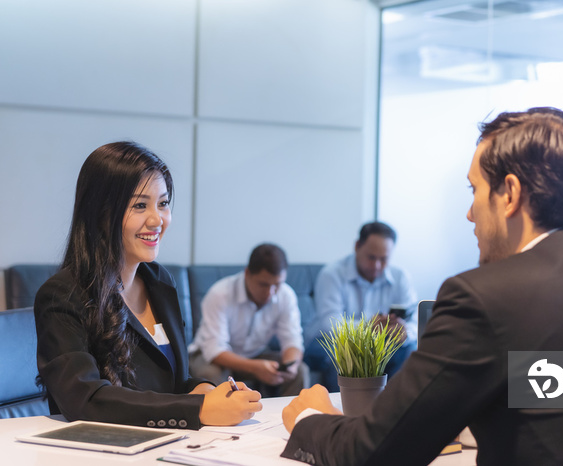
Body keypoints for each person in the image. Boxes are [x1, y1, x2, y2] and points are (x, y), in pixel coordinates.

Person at [280, 108, 563, 465]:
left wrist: (312, 418)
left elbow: (370, 454)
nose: (469, 214)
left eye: (474, 190)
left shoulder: (486, 296)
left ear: (509, 194)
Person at [34, 141, 262, 429]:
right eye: (140, 205)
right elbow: (85, 400)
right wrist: (199, 409)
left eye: (163, 204)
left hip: (170, 444)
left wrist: (209, 392)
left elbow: (176, 383)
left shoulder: (159, 281)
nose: (157, 220)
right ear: (101, 212)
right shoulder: (62, 297)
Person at [304, 221, 418, 391]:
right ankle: (341, 412)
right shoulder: (332, 274)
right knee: (343, 354)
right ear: (357, 246)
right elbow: (329, 324)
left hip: (383, 345)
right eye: (371, 257)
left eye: (384, 259)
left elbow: (416, 323)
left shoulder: (400, 277)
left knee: (410, 350)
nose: (377, 266)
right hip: (328, 343)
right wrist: (369, 328)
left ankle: (393, 410)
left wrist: (404, 333)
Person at [189, 243, 309, 397]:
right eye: (263, 284)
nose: (271, 293)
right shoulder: (220, 294)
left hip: (255, 355)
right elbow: (215, 350)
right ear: (247, 273)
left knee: (300, 370)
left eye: (277, 285)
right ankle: (219, 419)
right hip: (210, 357)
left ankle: (293, 419)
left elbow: (292, 341)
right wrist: (255, 367)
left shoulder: (286, 295)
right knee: (209, 373)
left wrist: (291, 365)